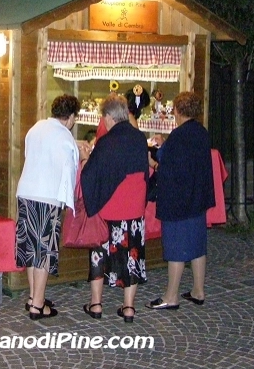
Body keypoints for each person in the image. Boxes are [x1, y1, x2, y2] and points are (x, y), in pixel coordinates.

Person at [16, 94, 90, 320]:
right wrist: (82, 157)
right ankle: (38, 305)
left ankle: (33, 297)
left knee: (31, 250)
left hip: (25, 192)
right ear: (71, 117)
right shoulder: (65, 136)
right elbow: (69, 171)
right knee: (44, 252)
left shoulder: (37, 127)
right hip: (47, 197)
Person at [80, 94, 149, 323]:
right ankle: (128, 307)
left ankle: (96, 304)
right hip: (134, 207)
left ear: (109, 117)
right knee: (133, 255)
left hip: (110, 208)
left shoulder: (106, 142)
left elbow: (91, 175)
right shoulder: (139, 138)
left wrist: (84, 159)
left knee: (98, 254)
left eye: (104, 118)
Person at [145, 91, 215, 310]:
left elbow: (168, 165)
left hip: (178, 200)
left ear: (177, 110)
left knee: (175, 247)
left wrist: (153, 162)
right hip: (198, 198)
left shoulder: (178, 136)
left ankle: (171, 296)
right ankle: (198, 290)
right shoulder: (201, 132)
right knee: (197, 245)